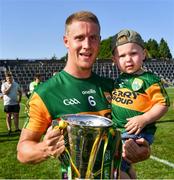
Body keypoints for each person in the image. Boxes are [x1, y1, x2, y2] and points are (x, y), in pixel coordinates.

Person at [17, 11, 151, 177]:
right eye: (79, 37)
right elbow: (23, 151)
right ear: (66, 41)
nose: (87, 45)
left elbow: (130, 135)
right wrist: (44, 148)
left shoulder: (115, 87)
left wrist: (141, 150)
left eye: (93, 38)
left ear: (99, 42)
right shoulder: (46, 93)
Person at [111, 29, 170, 179]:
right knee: (124, 165)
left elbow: (163, 104)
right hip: (121, 132)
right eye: (122, 56)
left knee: (113, 169)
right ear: (114, 60)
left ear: (143, 54)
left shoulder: (150, 79)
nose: (128, 59)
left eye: (133, 54)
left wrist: (144, 119)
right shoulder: (119, 80)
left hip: (137, 133)